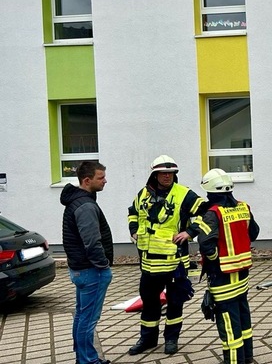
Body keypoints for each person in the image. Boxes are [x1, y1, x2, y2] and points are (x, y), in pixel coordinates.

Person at [127, 155, 205, 355]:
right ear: (154, 174)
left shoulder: (184, 194)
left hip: (175, 262)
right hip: (148, 263)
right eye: (163, 173)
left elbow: (206, 213)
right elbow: (133, 212)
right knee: (149, 302)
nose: (167, 177)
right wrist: (133, 229)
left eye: (171, 173)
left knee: (175, 302)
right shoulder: (144, 194)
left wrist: (190, 232)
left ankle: (171, 339)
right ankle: (148, 339)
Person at [188, 168, 260, 364]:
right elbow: (253, 233)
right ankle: (247, 358)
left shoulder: (212, 214)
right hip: (242, 273)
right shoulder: (243, 207)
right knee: (243, 319)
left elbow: (206, 243)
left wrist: (214, 259)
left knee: (229, 325)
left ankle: (234, 361)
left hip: (222, 276)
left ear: (210, 192)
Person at [60, 161, 113, 364]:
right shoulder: (86, 206)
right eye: (101, 178)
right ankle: (88, 360)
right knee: (88, 319)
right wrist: (103, 266)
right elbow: (92, 242)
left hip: (81, 270)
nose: (105, 181)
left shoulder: (77, 201)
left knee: (82, 316)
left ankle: (83, 357)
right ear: (87, 180)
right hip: (91, 271)